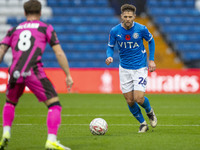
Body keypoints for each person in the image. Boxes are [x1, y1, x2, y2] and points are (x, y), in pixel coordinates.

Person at [0, 0, 73, 149]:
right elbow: (58, 52)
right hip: (33, 70)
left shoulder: (14, 29)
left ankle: (6, 133)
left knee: (10, 103)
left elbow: (1, 51)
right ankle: (51, 140)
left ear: (25, 13)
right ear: (40, 13)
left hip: (14, 71)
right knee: (54, 105)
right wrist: (68, 74)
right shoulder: (45, 27)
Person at [105, 4, 157, 133]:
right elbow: (110, 46)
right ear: (121, 16)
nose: (127, 19)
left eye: (130, 16)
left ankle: (149, 111)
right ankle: (143, 124)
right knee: (129, 100)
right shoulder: (115, 31)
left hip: (139, 67)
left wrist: (151, 60)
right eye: (125, 16)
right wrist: (109, 56)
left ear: (134, 16)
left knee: (139, 98)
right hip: (124, 69)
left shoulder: (141, 29)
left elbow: (151, 41)